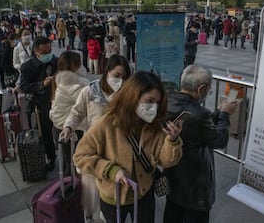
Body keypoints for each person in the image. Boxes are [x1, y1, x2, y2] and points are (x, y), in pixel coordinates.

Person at [72, 71, 183, 223]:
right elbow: (80, 157)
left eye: (157, 103)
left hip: (144, 194)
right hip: (113, 197)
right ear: (133, 97)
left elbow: (166, 161)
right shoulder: (106, 124)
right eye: (149, 101)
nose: (153, 107)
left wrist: (172, 140)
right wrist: (111, 170)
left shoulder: (155, 127)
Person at [163, 64, 239, 223]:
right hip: (195, 184)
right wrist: (224, 115)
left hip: (173, 176)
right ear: (202, 89)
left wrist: (217, 113)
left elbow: (201, 129)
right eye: (209, 90)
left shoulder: (168, 101)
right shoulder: (200, 114)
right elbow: (219, 140)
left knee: (172, 213)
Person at [60, 54, 131, 223]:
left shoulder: (128, 95)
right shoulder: (90, 91)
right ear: (107, 72)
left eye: (124, 77)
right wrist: (69, 126)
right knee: (92, 197)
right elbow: (76, 113)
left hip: (117, 151)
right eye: (117, 75)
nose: (120, 81)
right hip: (93, 150)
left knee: (111, 194)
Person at [19, 36, 58, 171]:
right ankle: (51, 157)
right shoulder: (27, 66)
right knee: (45, 131)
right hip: (41, 104)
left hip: (58, 101)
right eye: (44, 53)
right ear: (36, 51)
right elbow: (24, 86)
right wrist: (42, 84)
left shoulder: (56, 61)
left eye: (49, 51)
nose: (48, 55)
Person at [49, 51, 89, 176]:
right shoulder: (73, 83)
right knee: (74, 164)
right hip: (69, 129)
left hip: (59, 125)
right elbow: (88, 102)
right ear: (74, 66)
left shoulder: (59, 77)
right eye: (79, 64)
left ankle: (68, 185)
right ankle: (71, 189)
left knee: (67, 161)